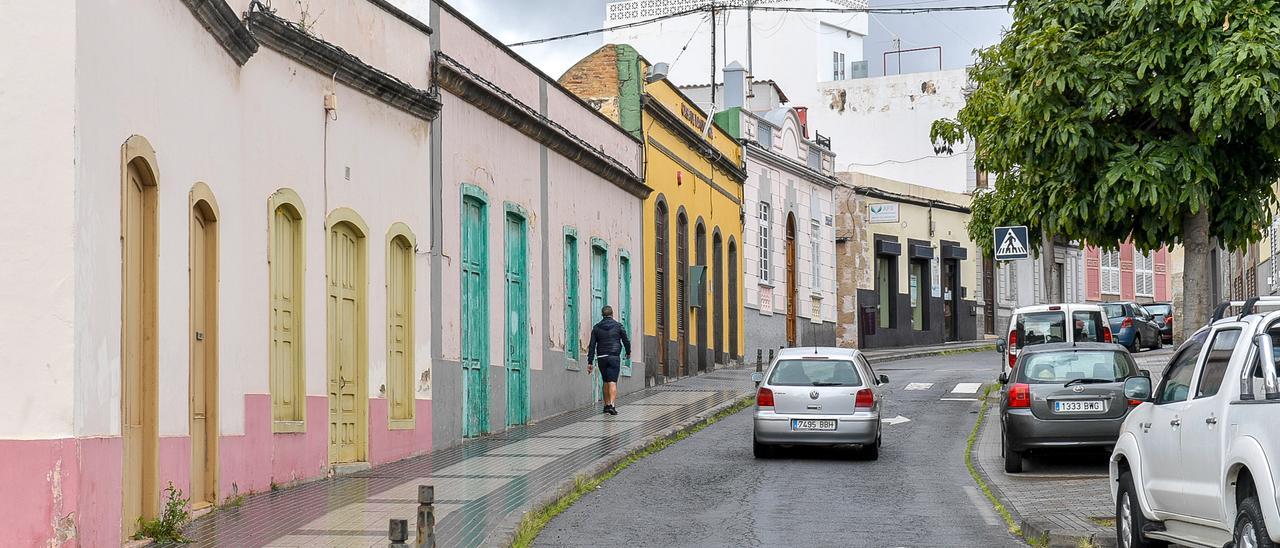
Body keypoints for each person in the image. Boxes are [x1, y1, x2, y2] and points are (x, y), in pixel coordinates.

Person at [587, 305, 631, 415]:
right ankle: (612, 405)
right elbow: (626, 341)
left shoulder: (596, 328)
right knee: (612, 381)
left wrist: (590, 361)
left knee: (605, 380)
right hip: (613, 356)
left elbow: (592, 345)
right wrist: (628, 352)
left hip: (602, 357)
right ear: (612, 314)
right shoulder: (618, 326)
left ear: (602, 315)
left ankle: (606, 405)